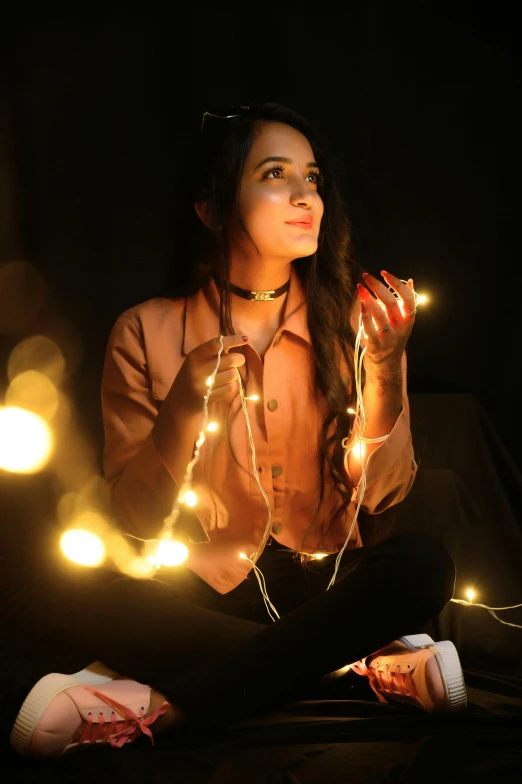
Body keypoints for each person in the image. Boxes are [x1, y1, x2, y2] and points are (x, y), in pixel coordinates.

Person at [8, 102, 467, 759]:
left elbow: (382, 497)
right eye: (276, 174)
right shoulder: (144, 330)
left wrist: (388, 367)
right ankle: (361, 665)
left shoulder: (351, 329)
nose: (306, 196)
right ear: (211, 207)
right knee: (57, 595)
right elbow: (133, 519)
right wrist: (183, 413)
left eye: (313, 178)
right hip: (196, 597)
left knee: (424, 566)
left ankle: (163, 712)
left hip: (328, 589)